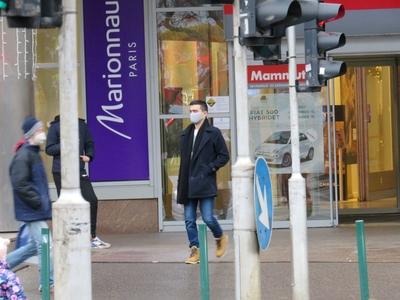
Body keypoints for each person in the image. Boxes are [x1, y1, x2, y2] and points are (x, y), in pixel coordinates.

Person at [45, 115, 111, 249]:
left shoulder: (81, 125)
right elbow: (49, 149)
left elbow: (89, 143)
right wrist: (64, 145)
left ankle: (91, 237)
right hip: (61, 171)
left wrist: (89, 156)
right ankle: (67, 238)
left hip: (78, 169)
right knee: (66, 204)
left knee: (91, 199)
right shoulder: (55, 126)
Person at [177, 100, 230, 264]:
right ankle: (195, 250)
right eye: (191, 110)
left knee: (208, 218)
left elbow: (224, 156)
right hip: (187, 183)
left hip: (204, 181)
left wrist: (209, 168)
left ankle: (220, 237)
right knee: (189, 220)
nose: (192, 113)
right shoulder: (185, 134)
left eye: (195, 110)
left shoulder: (213, 133)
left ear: (205, 113)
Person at [7, 116, 54, 290]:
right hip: (32, 210)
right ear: (31, 133)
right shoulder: (24, 155)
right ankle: (47, 282)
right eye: (40, 130)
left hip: (34, 209)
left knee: (35, 246)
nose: (43, 133)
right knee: (45, 245)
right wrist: (37, 201)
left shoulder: (32, 153)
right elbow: (20, 183)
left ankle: (2, 267)